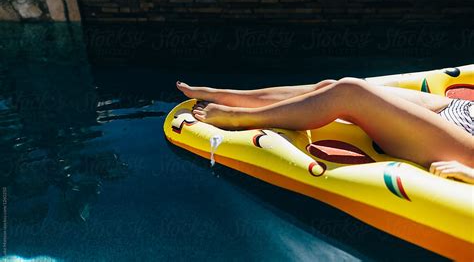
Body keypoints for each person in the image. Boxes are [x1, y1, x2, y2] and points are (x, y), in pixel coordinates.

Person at [176, 78, 474, 184]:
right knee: (330, 86)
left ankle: (240, 118)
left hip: (465, 144)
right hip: (458, 111)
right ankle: (228, 95)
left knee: (350, 92)